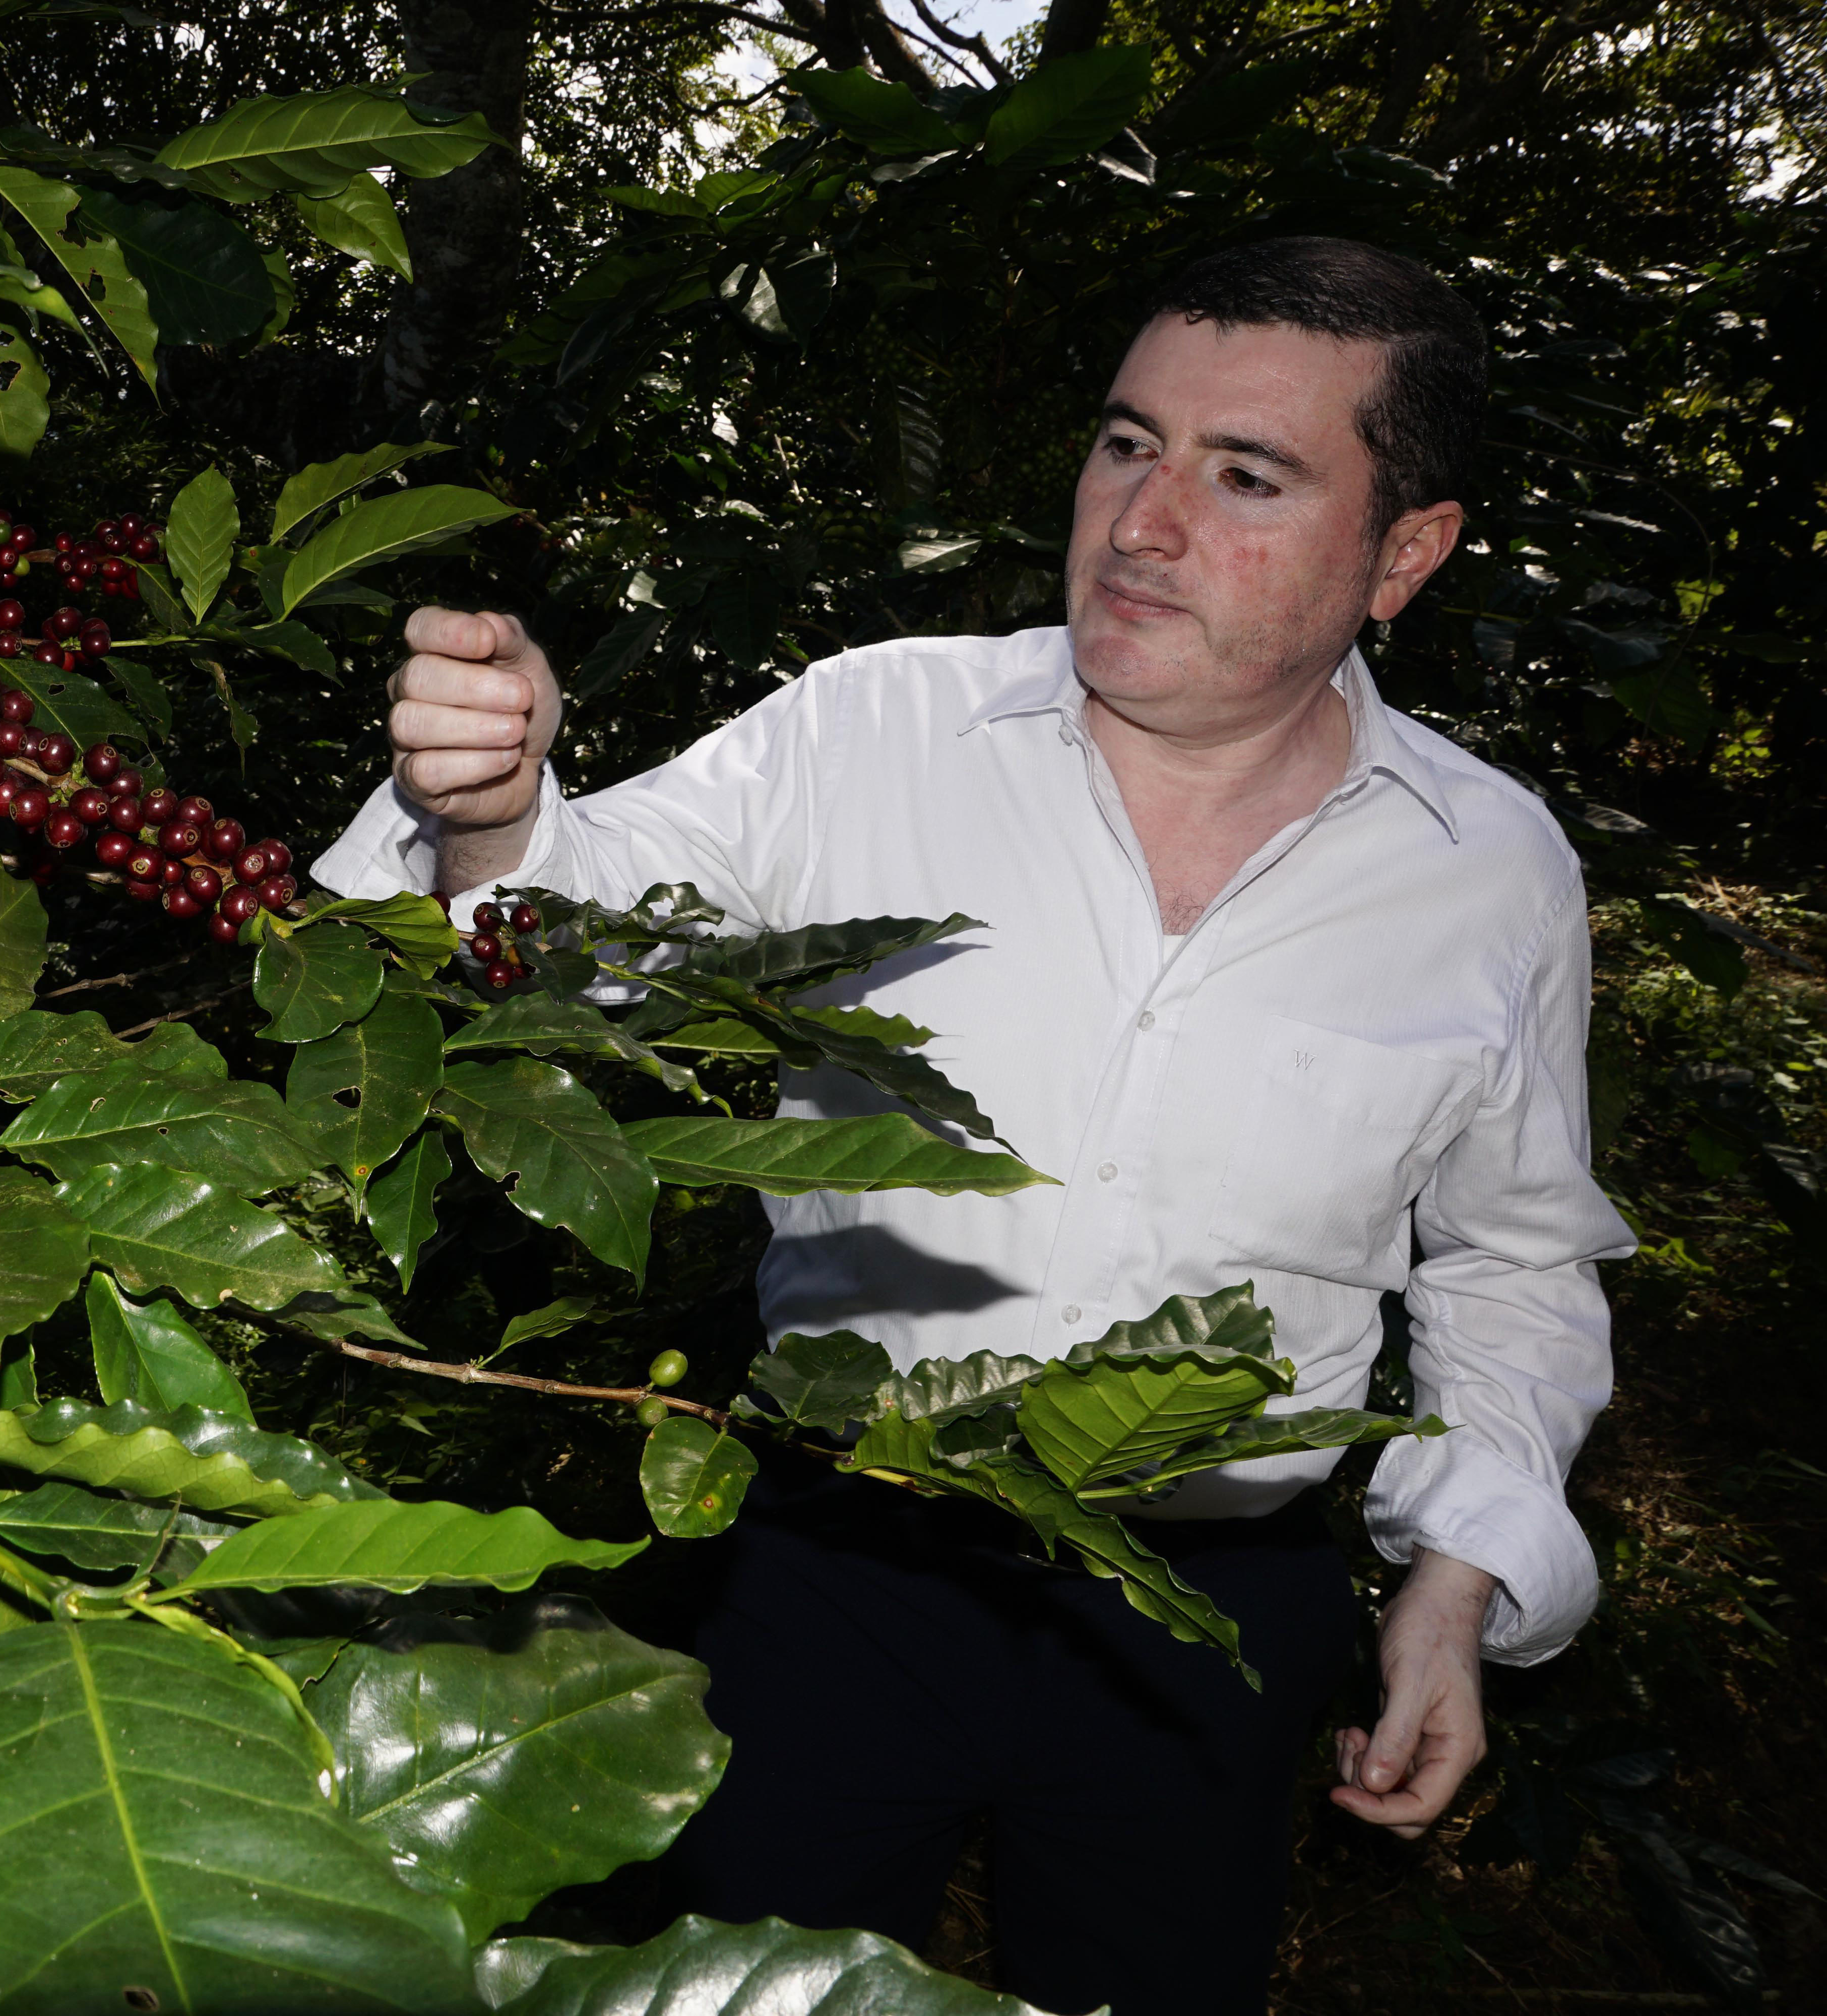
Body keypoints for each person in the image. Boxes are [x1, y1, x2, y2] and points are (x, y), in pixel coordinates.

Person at [311, 237, 1633, 2015]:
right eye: (1127, 444)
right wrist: (488, 813)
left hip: (1205, 1622)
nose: (1143, 522)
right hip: (835, 1567)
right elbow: (577, 937)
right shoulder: (878, 727)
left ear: (1406, 553)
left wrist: (1459, 1575)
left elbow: (1515, 1259)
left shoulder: (1489, 869)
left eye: (1246, 476)